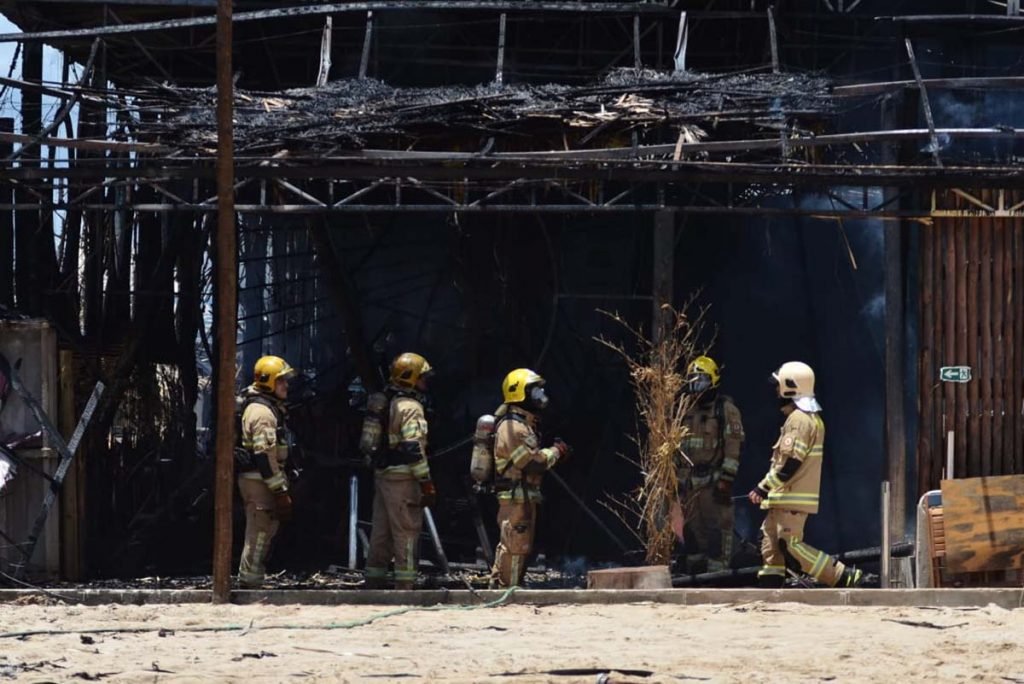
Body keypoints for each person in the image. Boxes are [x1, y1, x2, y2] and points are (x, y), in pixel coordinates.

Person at [749, 361, 862, 588]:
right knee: (771, 546)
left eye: (778, 386)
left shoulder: (799, 420)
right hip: (783, 498)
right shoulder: (808, 418)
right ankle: (770, 586)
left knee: (790, 545)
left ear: (790, 388)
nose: (775, 392)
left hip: (791, 496)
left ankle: (841, 575)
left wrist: (763, 487)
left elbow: (791, 462)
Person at [489, 368, 570, 588]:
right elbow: (532, 463)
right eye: (535, 390)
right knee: (515, 546)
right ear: (520, 393)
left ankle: (507, 587)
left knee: (519, 546)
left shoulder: (523, 424)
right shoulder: (513, 427)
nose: (540, 395)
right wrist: (556, 452)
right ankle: (507, 591)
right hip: (516, 498)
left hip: (523, 497)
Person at [366, 352, 436, 590]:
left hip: (383, 476)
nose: (425, 381)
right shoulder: (410, 407)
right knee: (406, 532)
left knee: (381, 533)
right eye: (422, 377)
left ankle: (374, 583)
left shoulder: (385, 401)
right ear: (411, 378)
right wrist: (426, 481)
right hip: (403, 480)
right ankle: (404, 587)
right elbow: (413, 448)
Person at [679, 355, 744, 573]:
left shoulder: (725, 410)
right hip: (690, 484)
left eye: (701, 381)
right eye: (693, 381)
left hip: (714, 482)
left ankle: (717, 576)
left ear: (713, 381)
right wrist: (678, 481)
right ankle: (695, 575)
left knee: (717, 531)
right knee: (692, 532)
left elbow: (733, 449)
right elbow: (677, 450)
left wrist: (726, 480)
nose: (696, 387)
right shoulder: (685, 411)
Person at [236, 355, 297, 588]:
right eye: (281, 381)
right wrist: (280, 492)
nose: (286, 386)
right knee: (259, 533)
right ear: (268, 381)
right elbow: (264, 457)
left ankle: (253, 580)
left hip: (263, 481)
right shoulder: (262, 413)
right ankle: (249, 585)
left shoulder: (267, 408)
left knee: (265, 530)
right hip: (260, 482)